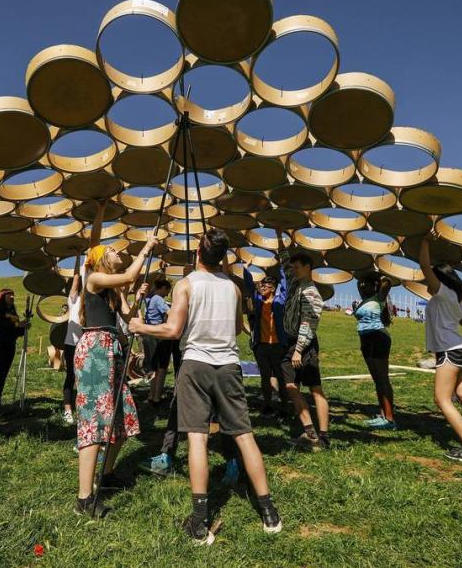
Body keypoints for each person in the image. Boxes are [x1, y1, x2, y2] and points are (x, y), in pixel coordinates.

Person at [131, 229, 282, 544]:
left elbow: (173, 330)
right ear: (222, 257)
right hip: (229, 366)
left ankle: (199, 521)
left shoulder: (186, 285)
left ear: (198, 253)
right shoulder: (234, 289)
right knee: (244, 435)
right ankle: (268, 511)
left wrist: (139, 326)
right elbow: (240, 330)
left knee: (197, 439)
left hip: (196, 365)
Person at [73, 206, 158, 519]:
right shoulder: (94, 278)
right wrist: (146, 249)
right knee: (96, 422)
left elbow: (128, 318)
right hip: (95, 348)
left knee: (120, 422)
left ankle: (106, 476)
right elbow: (131, 273)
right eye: (111, 248)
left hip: (113, 348)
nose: (116, 249)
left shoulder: (114, 288)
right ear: (99, 259)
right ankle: (84, 498)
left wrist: (137, 298)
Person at [419, 233, 462, 462]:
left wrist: (426, 242)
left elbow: (423, 266)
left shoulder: (443, 294)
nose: (427, 285)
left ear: (439, 280)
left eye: (430, 281)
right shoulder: (456, 299)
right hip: (461, 349)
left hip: (450, 350)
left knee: (442, 399)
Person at [281, 252, 330, 449]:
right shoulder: (296, 284)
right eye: (293, 267)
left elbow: (308, 323)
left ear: (308, 267)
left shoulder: (311, 292)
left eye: (298, 266)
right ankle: (309, 431)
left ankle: (324, 437)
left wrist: (299, 350)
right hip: (292, 343)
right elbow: (285, 264)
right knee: (291, 386)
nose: (293, 270)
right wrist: (279, 234)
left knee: (315, 389)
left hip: (304, 345)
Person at [243, 230, 290, 416]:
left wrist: (279, 265)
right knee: (264, 376)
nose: (262, 287)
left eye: (266, 286)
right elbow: (248, 284)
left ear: (273, 288)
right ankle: (268, 404)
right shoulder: (258, 300)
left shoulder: (279, 300)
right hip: (261, 345)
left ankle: (285, 406)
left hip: (278, 344)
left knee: (280, 376)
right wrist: (246, 269)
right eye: (261, 285)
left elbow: (284, 282)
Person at [353, 273, 396, 429]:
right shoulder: (365, 299)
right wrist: (363, 275)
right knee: (377, 379)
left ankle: (390, 420)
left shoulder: (379, 296)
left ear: (375, 285)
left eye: (367, 284)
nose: (363, 286)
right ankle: (383, 415)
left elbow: (388, 282)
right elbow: (359, 283)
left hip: (378, 338)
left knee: (382, 379)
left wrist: (379, 274)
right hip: (366, 340)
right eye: (363, 284)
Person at [0, 287, 26, 411]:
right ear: (2, 297)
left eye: (13, 295)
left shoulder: (13, 311)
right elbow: (0, 325)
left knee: (3, 373)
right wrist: (17, 325)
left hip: (10, 346)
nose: (12, 297)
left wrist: (23, 328)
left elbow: (16, 331)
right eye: (9, 295)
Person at [143, 278, 173, 406]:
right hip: (159, 335)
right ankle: (157, 397)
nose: (167, 294)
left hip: (149, 334)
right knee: (162, 367)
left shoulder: (149, 298)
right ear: (163, 288)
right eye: (167, 290)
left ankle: (151, 394)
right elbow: (170, 312)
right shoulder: (158, 299)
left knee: (153, 366)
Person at [62, 254, 83, 425]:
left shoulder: (91, 301)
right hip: (71, 344)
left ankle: (83, 408)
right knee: (70, 376)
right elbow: (76, 276)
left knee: (83, 377)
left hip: (86, 345)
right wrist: (78, 257)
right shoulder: (73, 299)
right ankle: (68, 410)